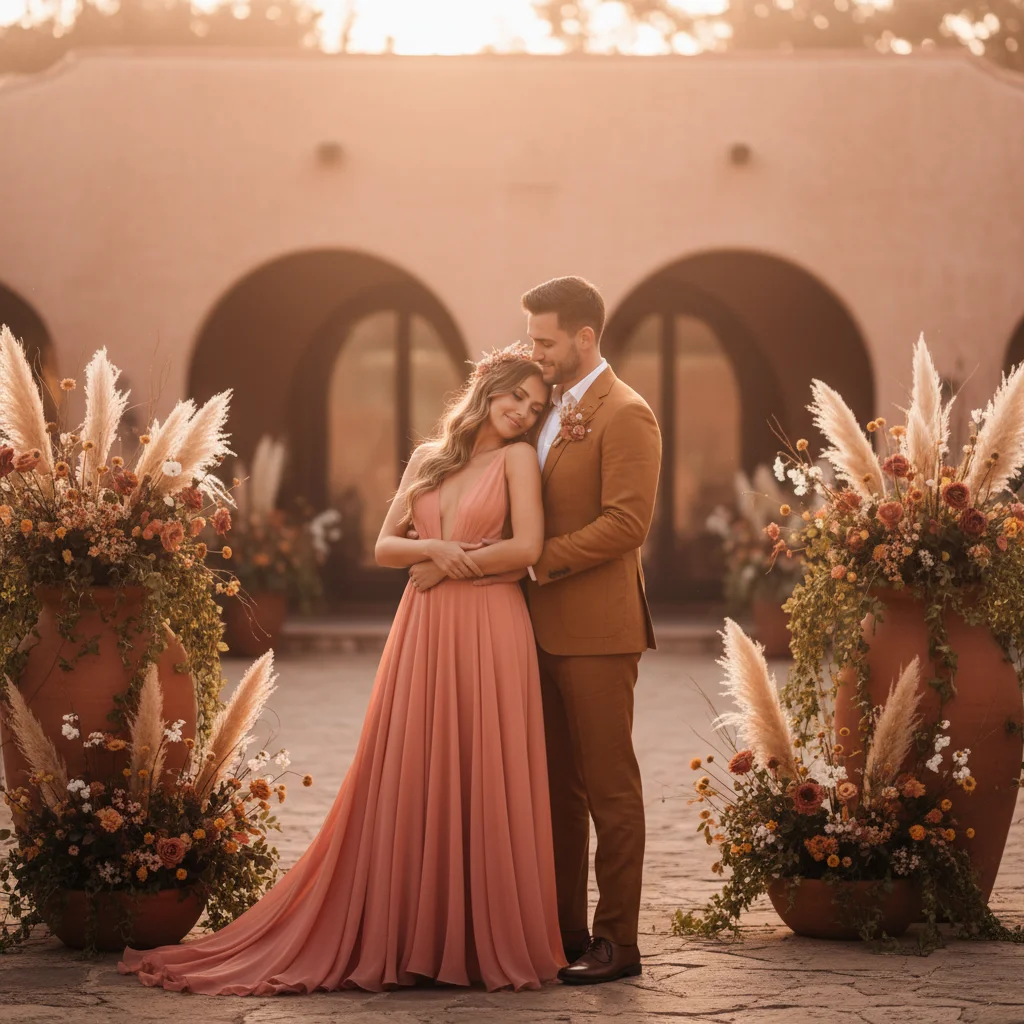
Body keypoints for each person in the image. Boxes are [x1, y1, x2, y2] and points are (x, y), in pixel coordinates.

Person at [119, 343, 564, 994]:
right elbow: (385, 546)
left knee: (482, 761)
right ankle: (416, 930)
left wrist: (442, 563)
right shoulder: (428, 459)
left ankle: (476, 937)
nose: (524, 411)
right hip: (426, 629)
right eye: (516, 395)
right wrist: (435, 544)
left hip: (490, 625)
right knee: (418, 762)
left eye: (536, 405)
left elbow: (527, 546)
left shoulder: (521, 460)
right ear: (487, 389)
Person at [520, 276, 661, 985]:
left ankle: (618, 942)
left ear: (584, 337)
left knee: (610, 789)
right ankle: (564, 928)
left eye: (544, 340)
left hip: (600, 633)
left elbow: (626, 524)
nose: (533, 352)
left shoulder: (626, 413)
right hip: (537, 631)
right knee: (557, 792)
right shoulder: (546, 407)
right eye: (531, 339)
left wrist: (537, 562)